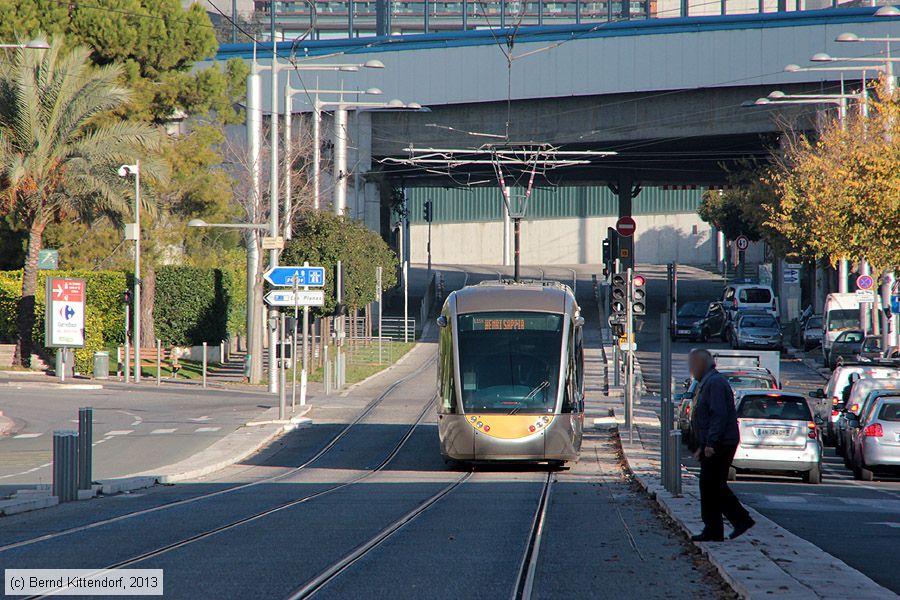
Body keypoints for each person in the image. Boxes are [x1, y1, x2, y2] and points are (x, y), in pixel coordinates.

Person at [687, 348, 755, 542]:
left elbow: (719, 415)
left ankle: (731, 522)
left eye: (694, 364)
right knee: (712, 485)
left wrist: (711, 443)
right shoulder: (709, 382)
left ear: (702, 365)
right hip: (717, 441)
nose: (691, 369)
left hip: (721, 442)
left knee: (712, 485)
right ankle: (726, 525)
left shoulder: (715, 383)